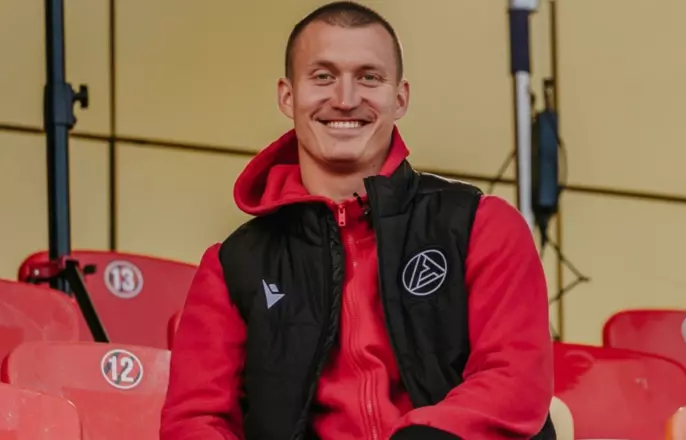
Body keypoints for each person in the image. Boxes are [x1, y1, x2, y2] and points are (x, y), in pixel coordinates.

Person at [160, 1, 555, 439]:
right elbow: (196, 421)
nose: (346, 100)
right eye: (323, 76)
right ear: (287, 96)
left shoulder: (481, 225)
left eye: (369, 77)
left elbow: (514, 380)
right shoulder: (232, 266)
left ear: (400, 98)